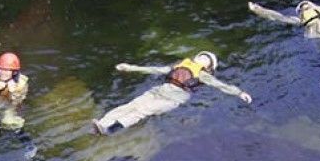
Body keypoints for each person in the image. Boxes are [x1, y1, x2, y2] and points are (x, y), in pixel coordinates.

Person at [92, 51, 252, 135]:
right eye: (201, 56)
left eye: (206, 60)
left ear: (208, 67)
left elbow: (220, 85)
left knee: (141, 111)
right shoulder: (179, 65)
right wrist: (130, 67)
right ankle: (102, 124)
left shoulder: (203, 75)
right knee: (131, 105)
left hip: (172, 100)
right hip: (159, 91)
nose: (202, 59)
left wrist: (239, 93)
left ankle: (110, 131)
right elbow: (154, 69)